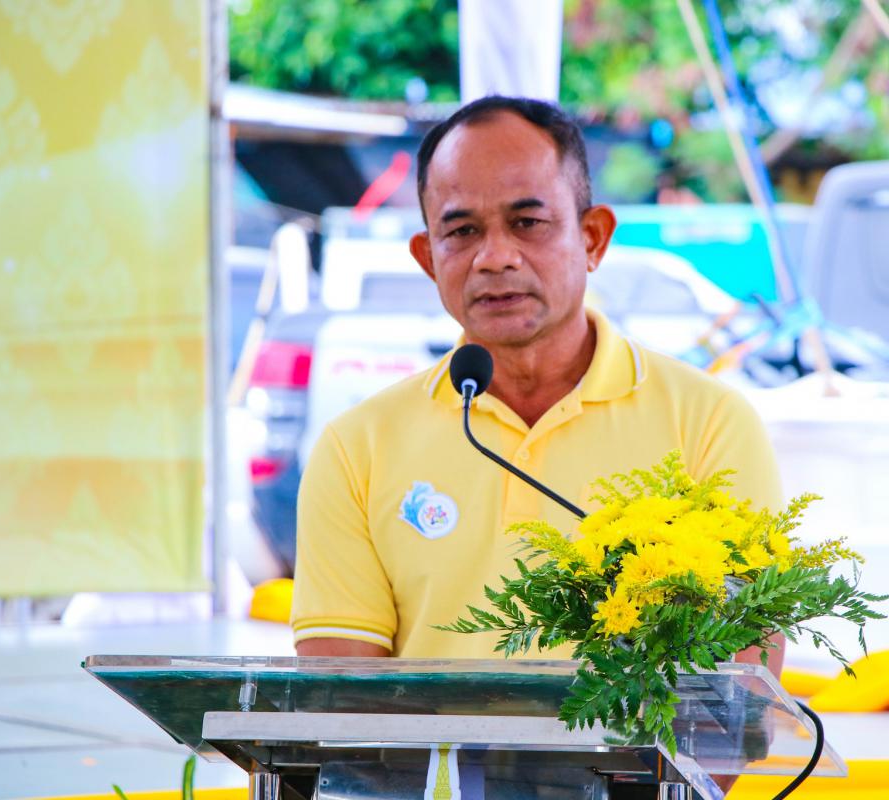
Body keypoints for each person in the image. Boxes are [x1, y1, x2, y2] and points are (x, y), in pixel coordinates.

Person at [291, 96, 784, 680]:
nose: (495, 258)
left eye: (527, 223)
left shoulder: (708, 422)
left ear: (593, 238)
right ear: (428, 258)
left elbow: (743, 674)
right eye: (462, 231)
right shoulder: (358, 448)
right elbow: (341, 695)